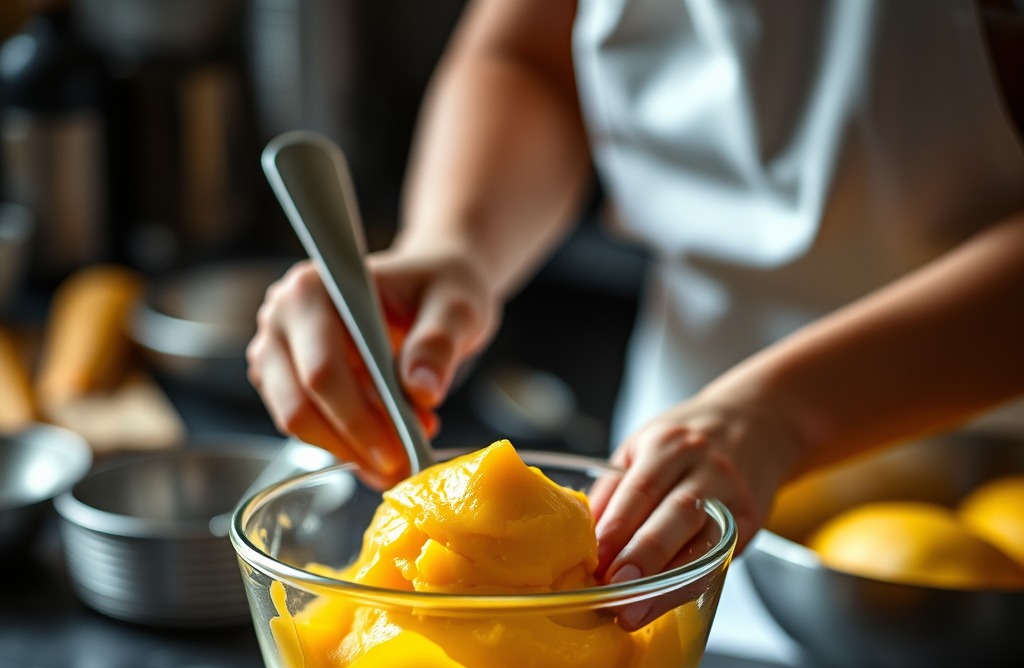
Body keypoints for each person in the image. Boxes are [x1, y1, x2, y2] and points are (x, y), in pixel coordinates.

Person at [247, 0, 1024, 587]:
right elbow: (532, 52)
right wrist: (455, 241)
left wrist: (786, 413)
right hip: (663, 506)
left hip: (986, 500)